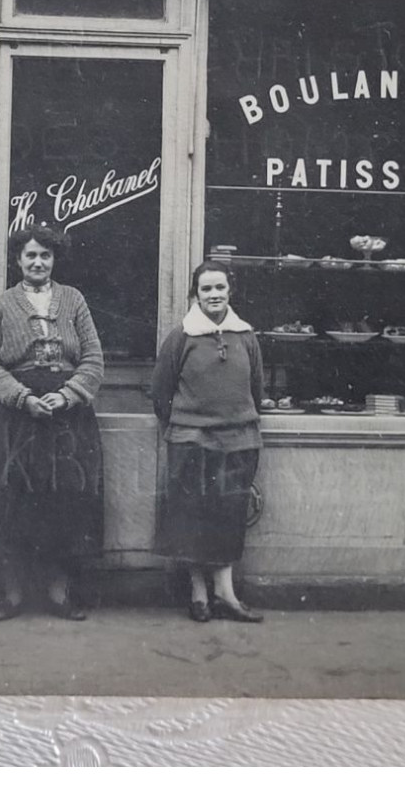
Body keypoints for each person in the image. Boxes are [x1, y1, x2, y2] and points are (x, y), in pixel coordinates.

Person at [0, 225, 105, 620]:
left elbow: (93, 359)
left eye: (45, 256)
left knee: (65, 503)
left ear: (55, 260)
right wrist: (22, 397)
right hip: (17, 420)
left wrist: (68, 394)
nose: (38, 262)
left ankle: (59, 594)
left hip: (67, 420)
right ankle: (12, 594)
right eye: (30, 255)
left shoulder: (74, 301)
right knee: (10, 505)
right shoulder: (4, 304)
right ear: (18, 260)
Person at [152, 261, 266, 623]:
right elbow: (161, 394)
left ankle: (226, 595)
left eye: (220, 288)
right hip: (191, 440)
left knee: (229, 517)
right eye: (206, 289)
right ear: (195, 295)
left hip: (239, 440)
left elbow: (256, 389)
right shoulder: (181, 338)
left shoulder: (245, 336)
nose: (214, 295)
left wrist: (236, 418)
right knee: (192, 518)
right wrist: (189, 424)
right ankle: (199, 595)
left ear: (229, 292)